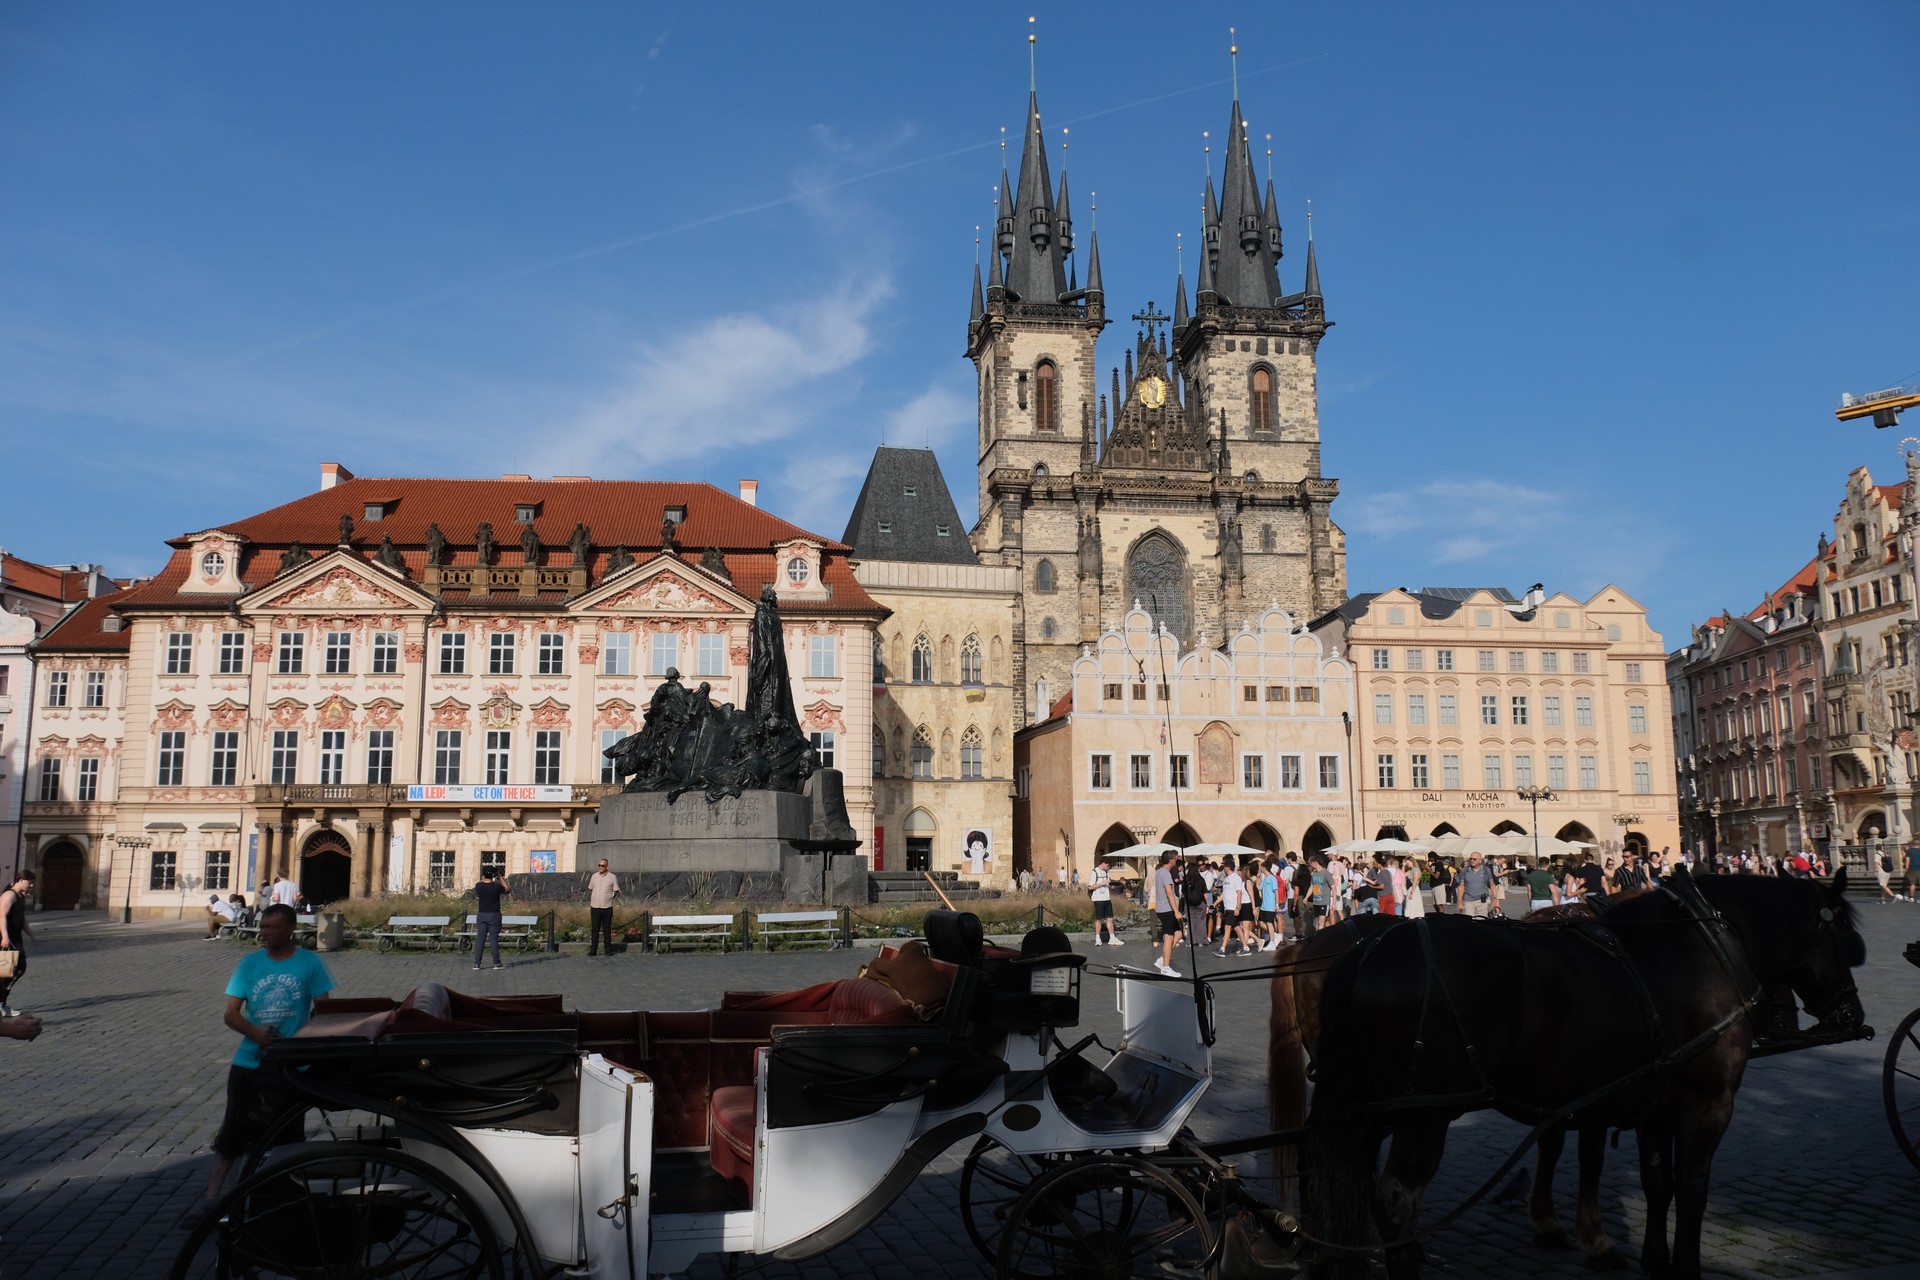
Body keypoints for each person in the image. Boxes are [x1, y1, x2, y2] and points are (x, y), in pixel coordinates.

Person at [206, 903, 334, 1204]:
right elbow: (231, 1014)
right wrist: (256, 1034)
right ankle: (213, 1200)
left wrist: (306, 1042)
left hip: (291, 1066)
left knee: (289, 1136)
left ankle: (282, 1198)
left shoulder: (310, 964)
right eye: (263, 926)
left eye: (272, 927)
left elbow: (325, 1011)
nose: (264, 932)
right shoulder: (249, 964)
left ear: (290, 929)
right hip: (250, 1062)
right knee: (233, 1133)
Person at [0, 870, 33, 1017]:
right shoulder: (9, 895)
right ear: (21, 880)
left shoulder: (20, 896)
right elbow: (1, 916)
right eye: (29, 882)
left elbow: (21, 918)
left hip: (16, 938)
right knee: (8, 971)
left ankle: (2, 1003)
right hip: (7, 939)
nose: (31, 886)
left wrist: (31, 934)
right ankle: (1, 1004)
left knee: (16, 969)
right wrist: (5, 936)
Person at [1151, 851, 1183, 978]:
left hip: (1163, 909)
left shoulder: (1160, 872)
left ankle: (1162, 959)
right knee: (1169, 938)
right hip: (1166, 909)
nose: (1176, 861)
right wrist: (1176, 911)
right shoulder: (1165, 873)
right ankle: (1165, 967)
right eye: (1175, 859)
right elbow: (1169, 893)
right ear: (1171, 860)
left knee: (1179, 934)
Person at [471, 867, 509, 970]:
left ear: (483, 875)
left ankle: (476, 964)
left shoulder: (478, 886)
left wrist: (485, 876)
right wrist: (500, 877)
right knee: (493, 939)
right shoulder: (496, 886)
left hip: (482, 914)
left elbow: (481, 882)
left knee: (480, 939)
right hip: (494, 915)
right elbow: (507, 889)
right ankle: (496, 963)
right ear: (493, 875)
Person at [587, 858, 620, 955]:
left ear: (606, 866)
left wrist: (609, 897)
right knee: (595, 929)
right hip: (595, 907)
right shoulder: (594, 876)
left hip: (607, 907)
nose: (600, 867)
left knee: (606, 929)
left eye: (602, 865)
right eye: (599, 865)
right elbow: (591, 888)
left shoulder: (612, 877)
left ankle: (608, 950)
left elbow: (616, 890)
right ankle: (593, 950)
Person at [1088, 857, 1122, 946]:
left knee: (1110, 918)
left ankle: (1112, 938)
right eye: (1107, 865)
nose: (1108, 866)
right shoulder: (1094, 872)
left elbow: (1107, 883)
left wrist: (1111, 886)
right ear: (1103, 863)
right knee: (1098, 919)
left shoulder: (1107, 872)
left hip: (1107, 898)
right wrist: (1101, 884)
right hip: (1098, 899)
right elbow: (1090, 887)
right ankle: (1097, 938)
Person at [1455, 853, 1494, 918]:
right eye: (1471, 859)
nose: (1472, 860)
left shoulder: (1486, 870)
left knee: (1481, 921)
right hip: (1468, 901)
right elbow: (1461, 886)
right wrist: (1459, 902)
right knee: (1469, 920)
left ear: (1480, 860)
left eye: (1474, 859)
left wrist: (1495, 900)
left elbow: (1492, 885)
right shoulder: (1465, 870)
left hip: (1482, 901)